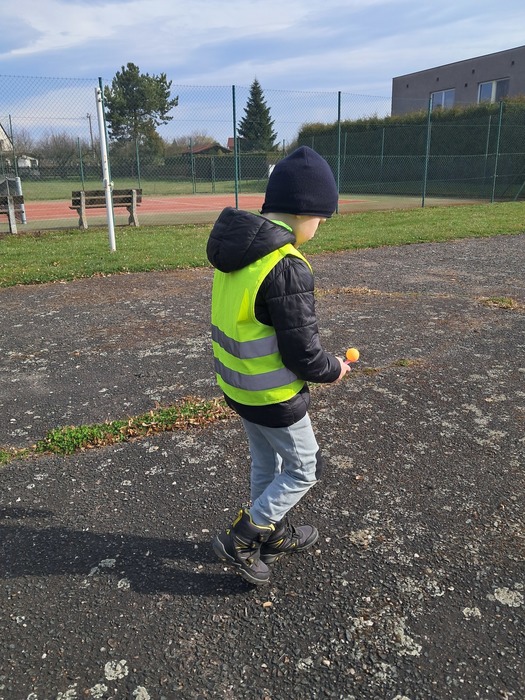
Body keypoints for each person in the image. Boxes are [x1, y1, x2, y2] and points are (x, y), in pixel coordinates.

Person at [207, 146, 350, 585]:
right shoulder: (286, 265)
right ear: (304, 210)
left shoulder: (239, 252)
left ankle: (273, 534)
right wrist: (333, 368)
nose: (319, 228)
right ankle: (244, 537)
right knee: (306, 469)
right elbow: (302, 354)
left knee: (266, 464)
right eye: (321, 218)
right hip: (274, 395)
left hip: (239, 387)